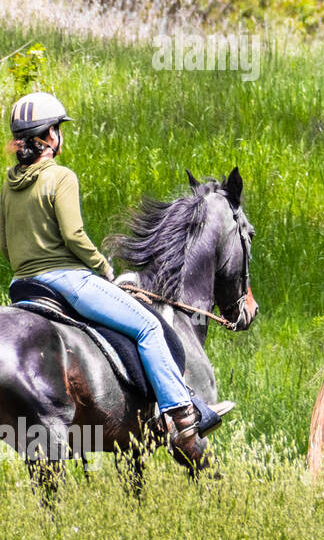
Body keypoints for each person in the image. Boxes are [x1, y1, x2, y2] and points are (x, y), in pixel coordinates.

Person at [0, 91, 232, 466]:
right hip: (68, 282)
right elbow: (74, 236)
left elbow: (6, 248)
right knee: (148, 329)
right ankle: (182, 417)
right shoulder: (61, 177)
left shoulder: (9, 187)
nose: (62, 135)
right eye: (58, 129)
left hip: (24, 287)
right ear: (49, 137)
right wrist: (103, 269)